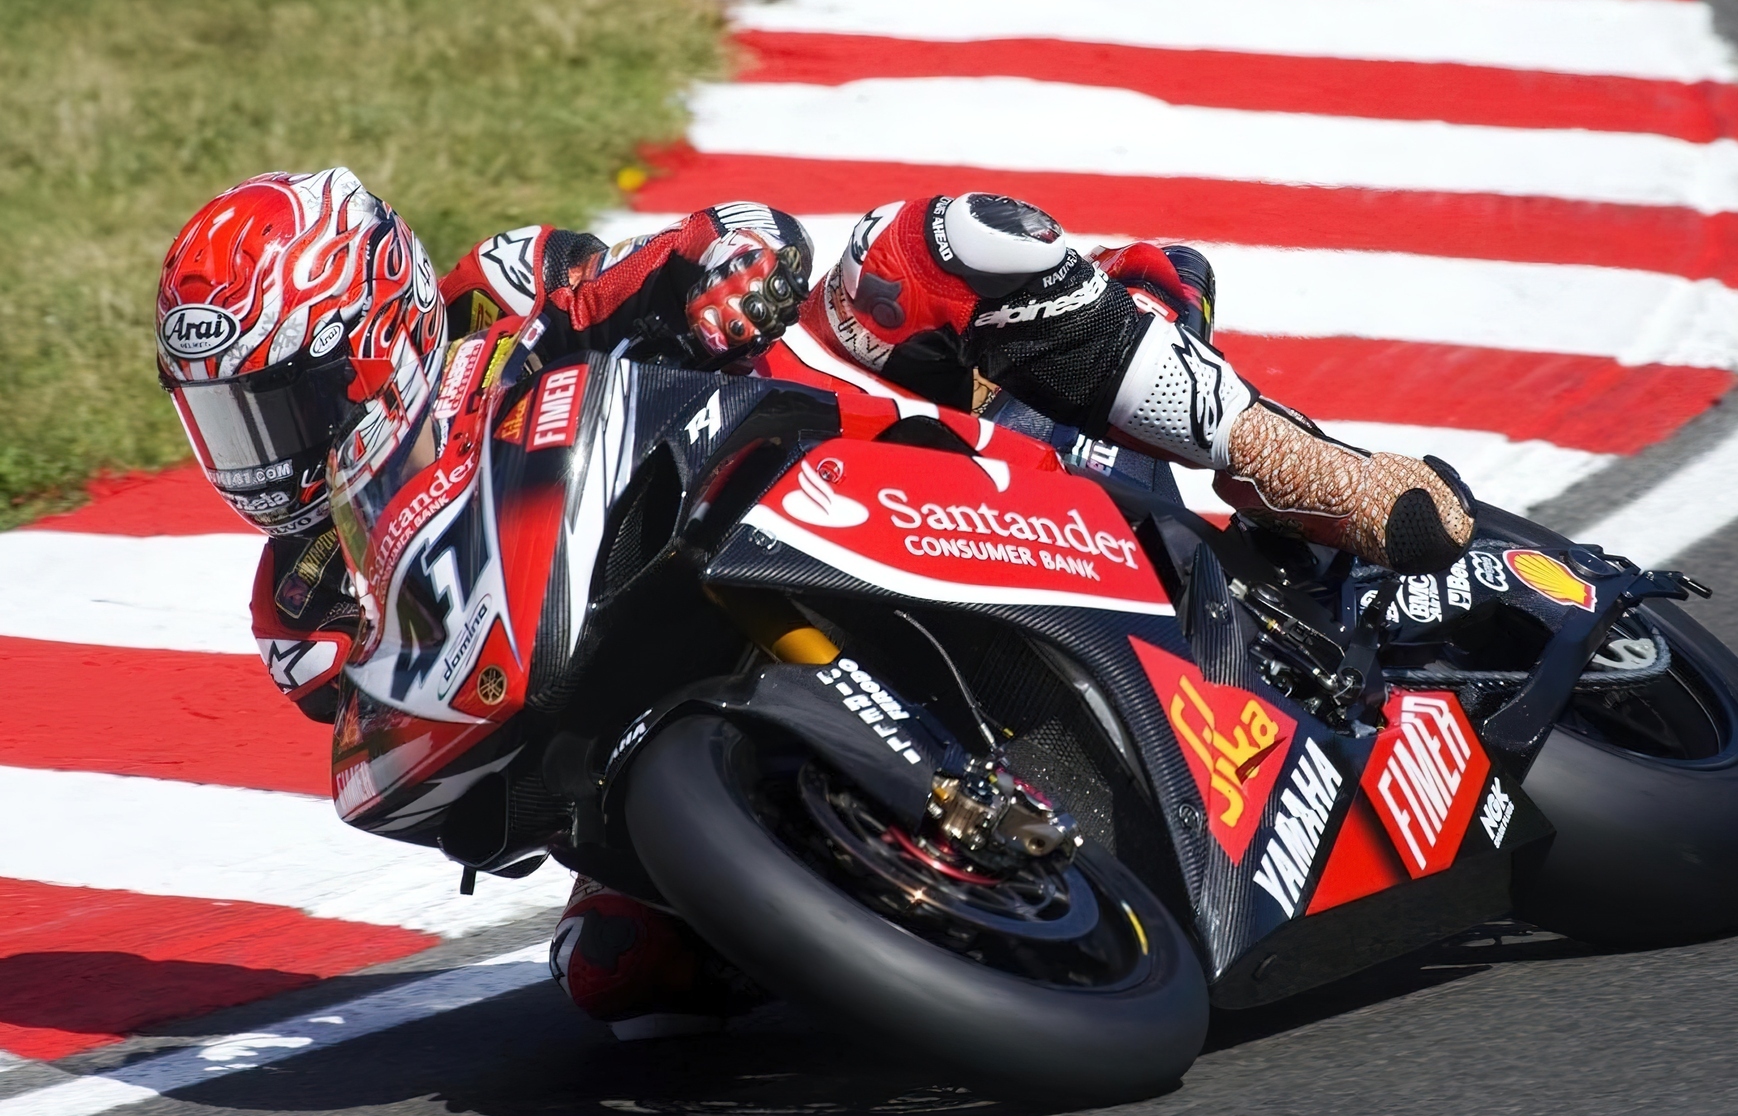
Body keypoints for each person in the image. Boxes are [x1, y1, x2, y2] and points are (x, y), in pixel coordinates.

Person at [157, 169, 1473, 1039]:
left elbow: (716, 244)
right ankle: (904, 899)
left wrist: (718, 280)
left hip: (826, 475)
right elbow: (422, 743)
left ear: (375, 327)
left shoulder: (502, 296)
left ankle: (1306, 467)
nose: (262, 452)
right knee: (622, 987)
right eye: (224, 421)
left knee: (938, 247)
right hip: (635, 715)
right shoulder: (306, 590)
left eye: (278, 403)